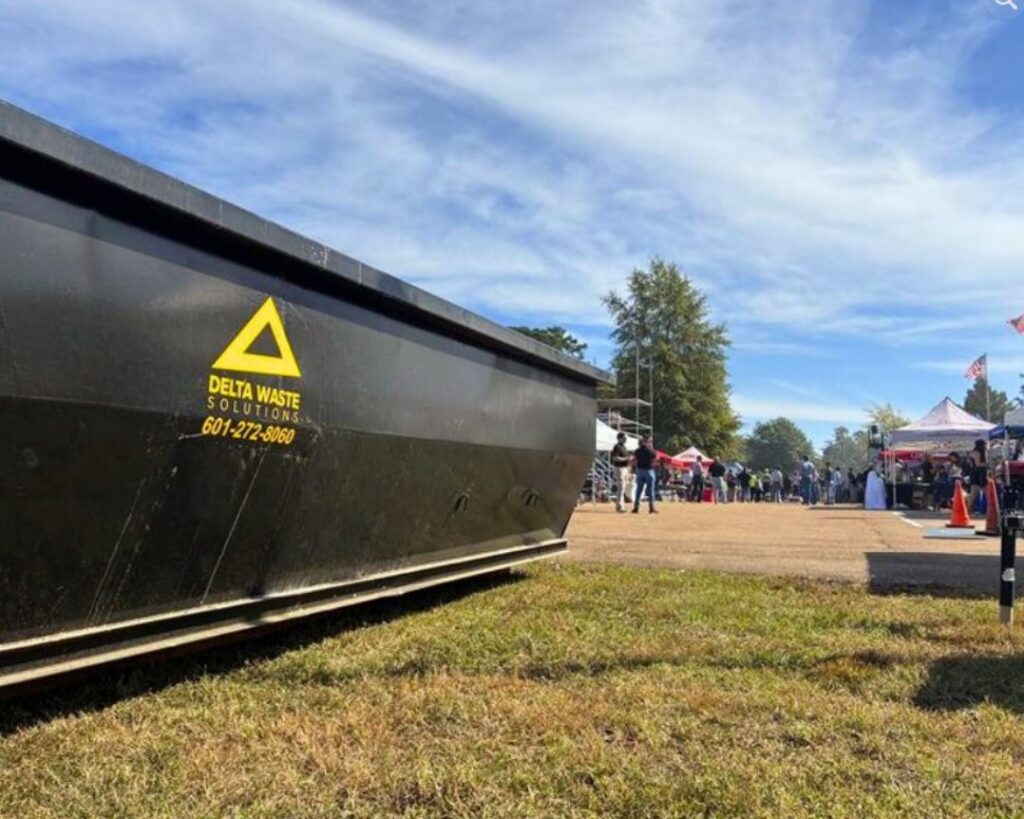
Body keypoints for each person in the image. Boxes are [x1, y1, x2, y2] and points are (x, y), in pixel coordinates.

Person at [632, 436, 659, 514]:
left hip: (640, 471)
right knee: (650, 490)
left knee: (638, 490)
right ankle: (651, 508)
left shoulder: (637, 451)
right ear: (648, 441)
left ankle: (636, 507)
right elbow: (655, 458)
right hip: (649, 471)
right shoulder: (650, 450)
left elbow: (634, 460)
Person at [610, 432, 632, 513]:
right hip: (619, 468)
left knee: (623, 488)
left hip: (624, 468)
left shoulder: (624, 447)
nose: (625, 439)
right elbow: (615, 458)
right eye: (624, 438)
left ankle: (620, 505)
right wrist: (626, 459)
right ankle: (620, 507)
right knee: (621, 487)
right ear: (619, 438)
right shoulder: (617, 447)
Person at [969, 439, 988, 512]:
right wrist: (986, 464)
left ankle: (969, 508)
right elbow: (978, 464)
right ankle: (968, 507)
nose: (985, 446)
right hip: (978, 473)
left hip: (978, 473)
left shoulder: (975, 452)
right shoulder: (977, 452)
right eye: (984, 445)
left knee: (982, 491)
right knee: (975, 492)